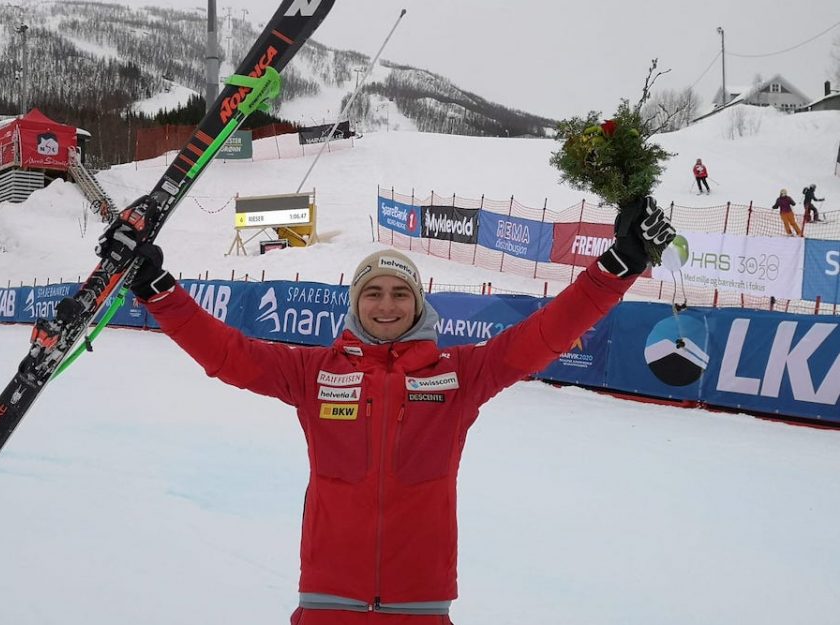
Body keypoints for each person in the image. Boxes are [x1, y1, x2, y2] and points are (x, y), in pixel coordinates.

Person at [96, 196, 676, 624]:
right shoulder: (315, 373)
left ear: (418, 304)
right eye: (372, 292)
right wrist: (156, 288)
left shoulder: (460, 375)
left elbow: (545, 334)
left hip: (420, 606)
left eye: (400, 293)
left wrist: (617, 265)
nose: (386, 303)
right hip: (326, 602)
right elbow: (227, 353)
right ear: (355, 304)